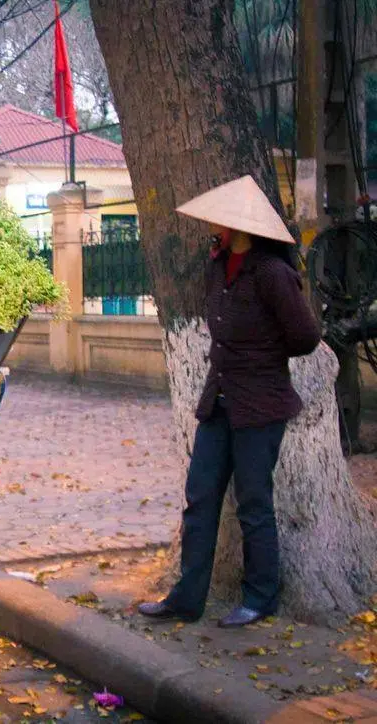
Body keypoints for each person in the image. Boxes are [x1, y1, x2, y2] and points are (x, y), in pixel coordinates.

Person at [139, 175, 322, 628]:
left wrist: (261, 354)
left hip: (261, 407)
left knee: (254, 504)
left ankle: (261, 598)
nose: (213, 229)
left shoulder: (273, 274)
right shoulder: (218, 267)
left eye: (220, 222)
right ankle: (186, 600)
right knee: (200, 499)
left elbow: (306, 337)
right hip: (218, 404)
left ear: (240, 225)